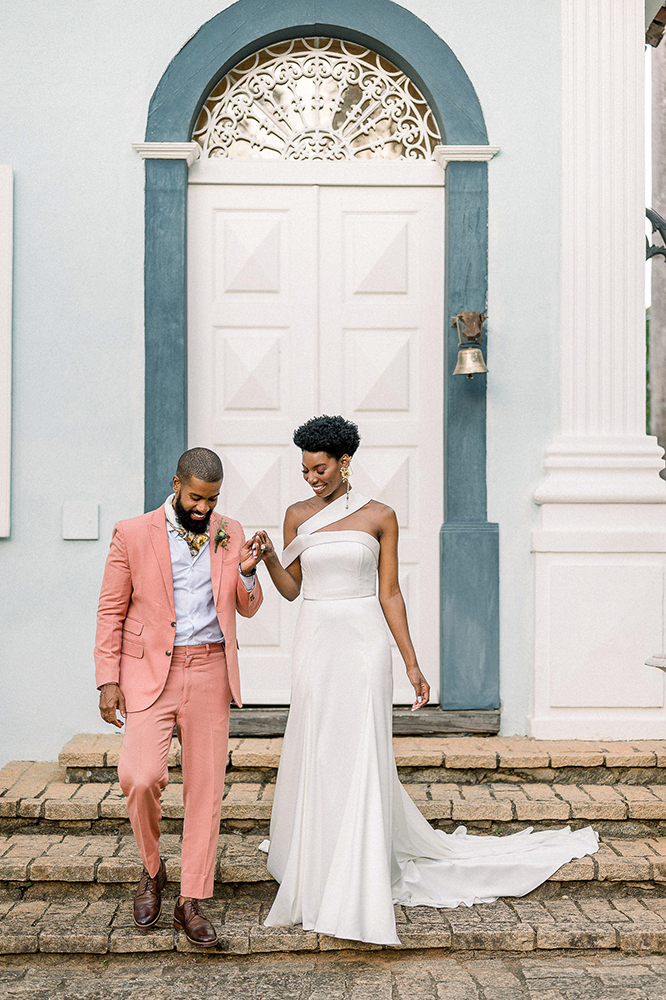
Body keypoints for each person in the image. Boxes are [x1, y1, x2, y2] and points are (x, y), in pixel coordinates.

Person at [253, 415, 599, 946]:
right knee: (320, 746)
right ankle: (318, 859)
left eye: (319, 469)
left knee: (362, 749)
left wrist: (412, 663)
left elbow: (390, 593)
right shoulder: (296, 515)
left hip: (364, 640)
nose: (311, 479)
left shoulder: (380, 516)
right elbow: (293, 590)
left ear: (345, 463)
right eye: (305, 470)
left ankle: (359, 868)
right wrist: (272, 559)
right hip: (316, 641)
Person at [94, 447, 263, 947]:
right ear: (175, 484)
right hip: (148, 672)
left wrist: (248, 572)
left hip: (210, 667)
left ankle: (191, 900)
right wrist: (108, 678)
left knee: (205, 790)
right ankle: (153, 868)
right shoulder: (131, 532)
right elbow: (110, 609)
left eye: (211, 500)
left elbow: (247, 608)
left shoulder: (228, 530)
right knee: (139, 776)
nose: (203, 509)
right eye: (195, 497)